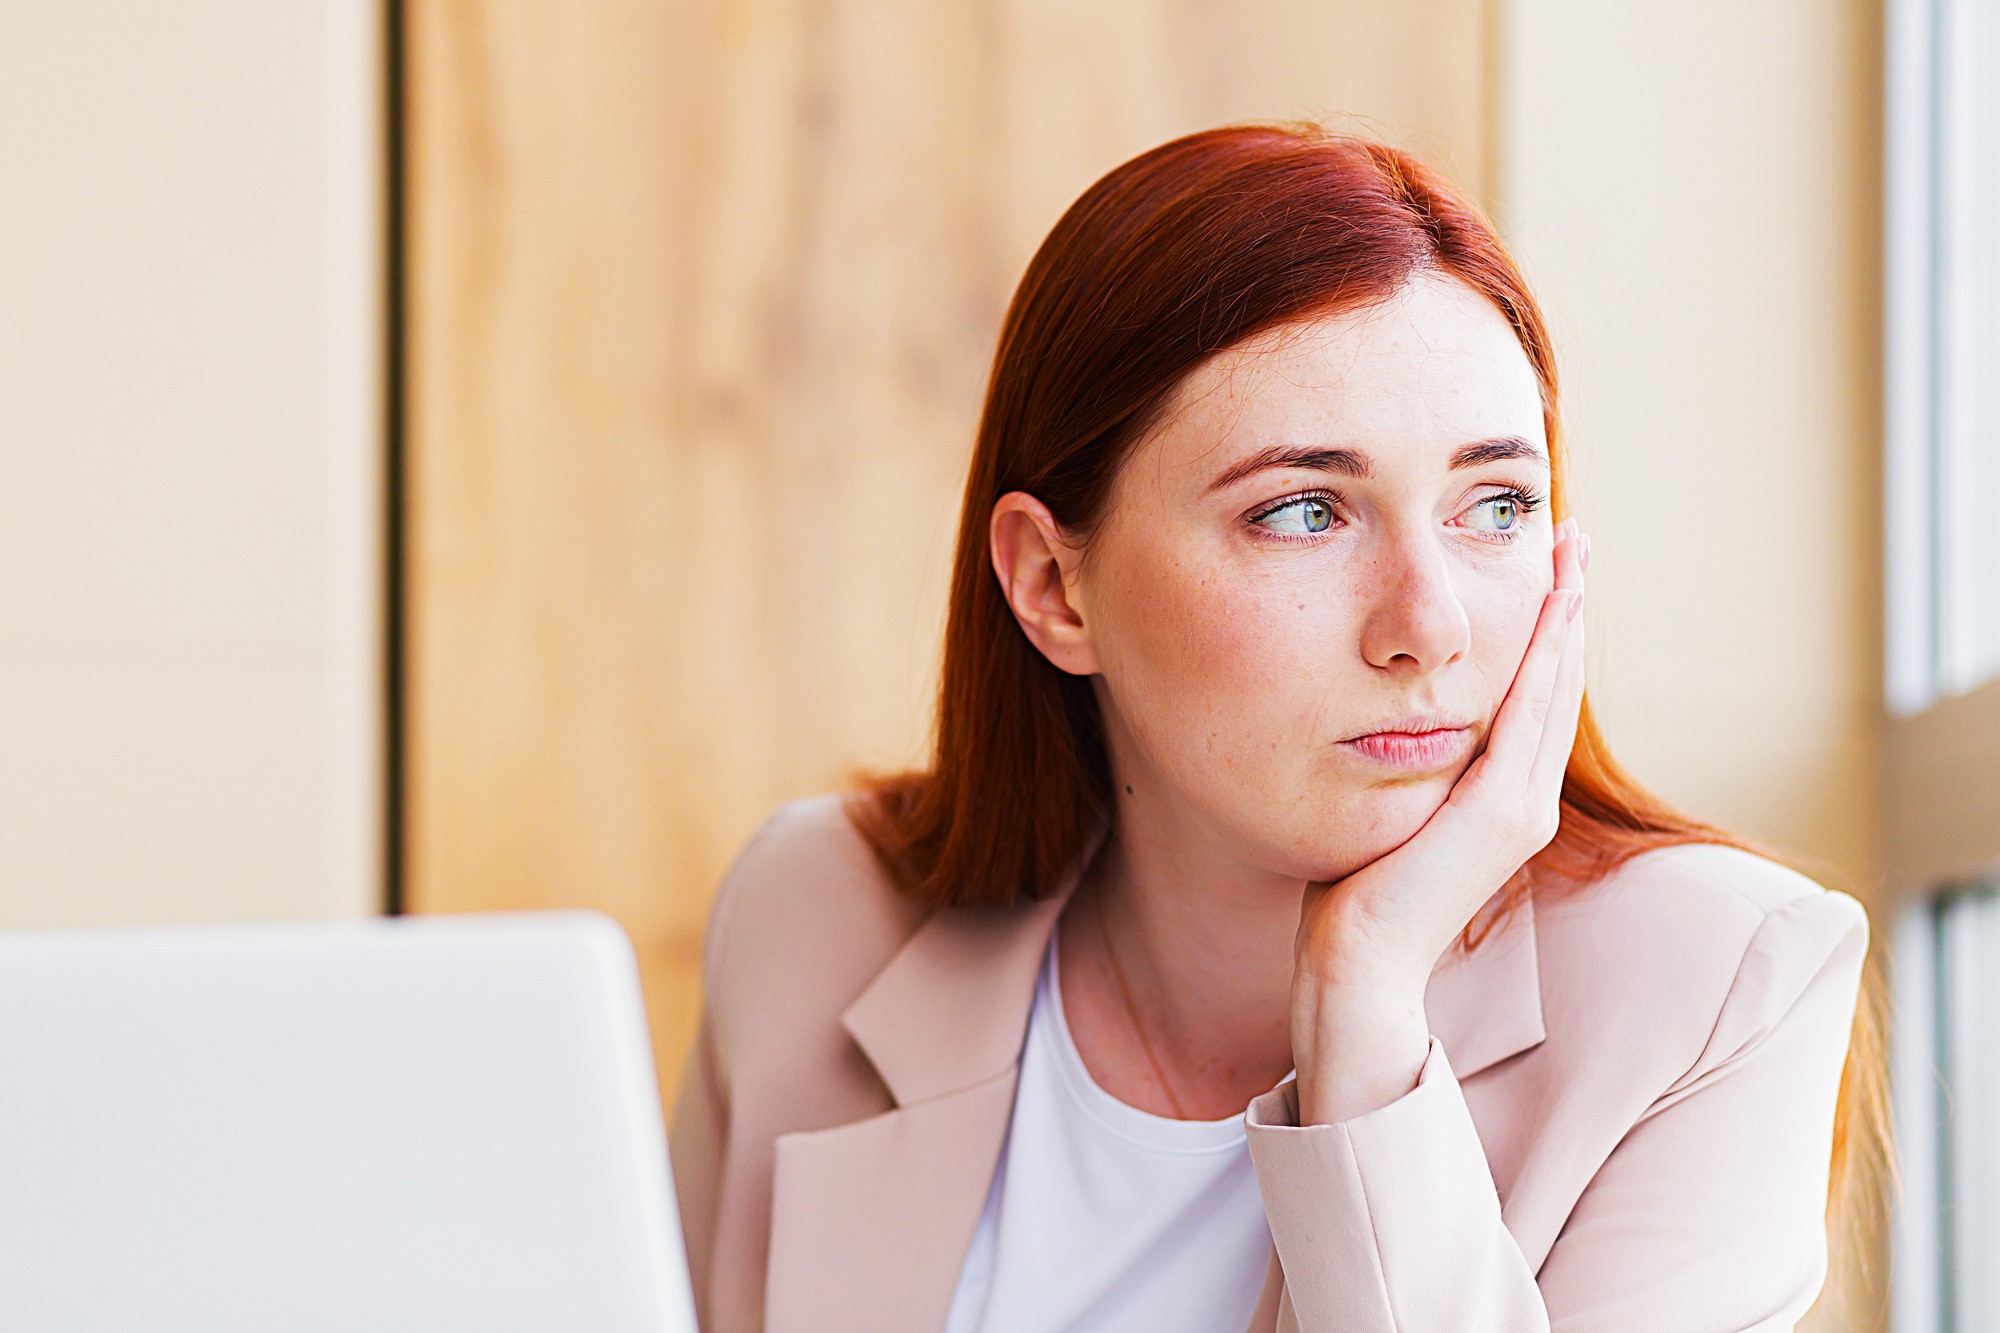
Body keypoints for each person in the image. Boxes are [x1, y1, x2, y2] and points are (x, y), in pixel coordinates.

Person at [667, 122, 1881, 1333]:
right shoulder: (815, 909)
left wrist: (1363, 1014)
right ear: (1050, 583)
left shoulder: (1715, 982)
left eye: (1495, 504)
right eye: (1303, 512)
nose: (1429, 625)